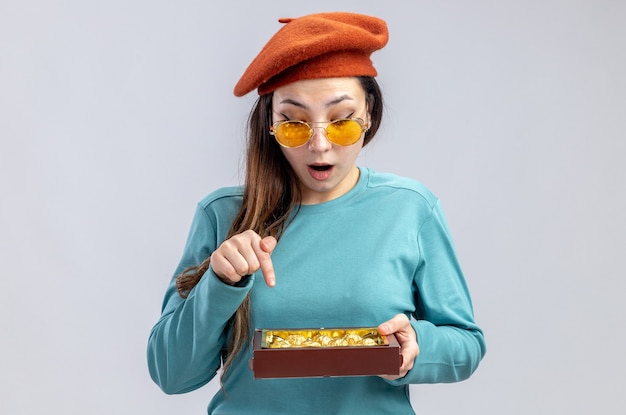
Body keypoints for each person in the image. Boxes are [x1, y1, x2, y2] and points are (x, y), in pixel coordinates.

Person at [147, 11, 486, 414]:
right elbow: (171, 374)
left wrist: (418, 346)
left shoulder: (411, 208)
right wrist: (219, 282)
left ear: (369, 115)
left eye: (341, 122)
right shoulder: (222, 214)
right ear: (270, 126)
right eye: (294, 124)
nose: (320, 145)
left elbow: (467, 344)